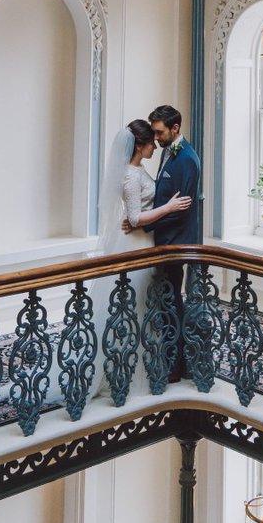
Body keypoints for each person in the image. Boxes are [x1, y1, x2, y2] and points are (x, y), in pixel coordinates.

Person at [92, 119, 192, 399]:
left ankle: (146, 363)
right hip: (136, 245)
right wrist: (169, 207)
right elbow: (135, 217)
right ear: (139, 145)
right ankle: (123, 370)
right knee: (133, 308)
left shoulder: (138, 169)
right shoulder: (130, 175)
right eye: (151, 142)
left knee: (144, 309)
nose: (155, 146)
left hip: (145, 241)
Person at [129, 104, 201, 382]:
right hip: (160, 240)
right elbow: (163, 197)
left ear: (175, 129)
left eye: (159, 132)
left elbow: (180, 208)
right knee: (165, 302)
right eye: (154, 133)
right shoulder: (170, 152)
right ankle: (167, 353)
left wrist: (146, 222)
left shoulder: (187, 160)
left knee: (173, 303)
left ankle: (177, 363)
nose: (155, 138)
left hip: (175, 243)